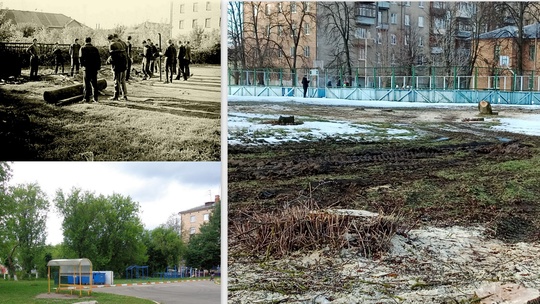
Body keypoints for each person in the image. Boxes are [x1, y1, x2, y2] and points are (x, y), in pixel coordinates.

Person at [79, 37, 101, 103]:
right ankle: (95, 98)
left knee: (86, 84)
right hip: (94, 68)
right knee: (94, 84)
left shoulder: (82, 48)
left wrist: (82, 66)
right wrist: (98, 68)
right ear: (90, 41)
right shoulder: (95, 49)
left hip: (86, 68)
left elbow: (80, 58)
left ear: (85, 41)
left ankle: (86, 98)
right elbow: (98, 59)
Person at [107, 34, 128, 101]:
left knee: (116, 81)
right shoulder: (120, 44)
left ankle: (116, 96)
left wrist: (108, 61)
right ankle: (124, 95)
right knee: (122, 80)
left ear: (109, 40)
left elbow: (113, 57)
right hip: (123, 65)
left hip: (116, 66)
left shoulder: (111, 45)